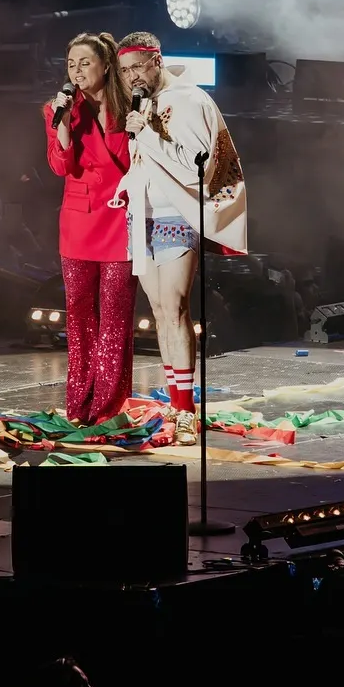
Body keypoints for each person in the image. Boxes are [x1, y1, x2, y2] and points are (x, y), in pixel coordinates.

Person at [113, 31, 248, 445]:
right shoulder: (144, 104)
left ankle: (186, 413)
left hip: (176, 214)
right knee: (158, 312)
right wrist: (125, 185)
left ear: (157, 60)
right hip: (144, 215)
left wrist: (147, 133)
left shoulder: (190, 100)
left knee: (174, 310)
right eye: (124, 71)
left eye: (138, 67)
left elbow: (195, 164)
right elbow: (147, 162)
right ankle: (175, 405)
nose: (132, 76)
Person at [44, 33, 136, 423]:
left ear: (106, 65)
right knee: (80, 320)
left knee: (115, 321)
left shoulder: (131, 107)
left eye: (84, 62)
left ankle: (109, 408)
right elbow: (60, 167)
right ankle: (79, 406)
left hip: (120, 219)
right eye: (71, 64)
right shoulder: (56, 109)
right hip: (78, 223)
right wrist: (62, 125)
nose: (77, 71)